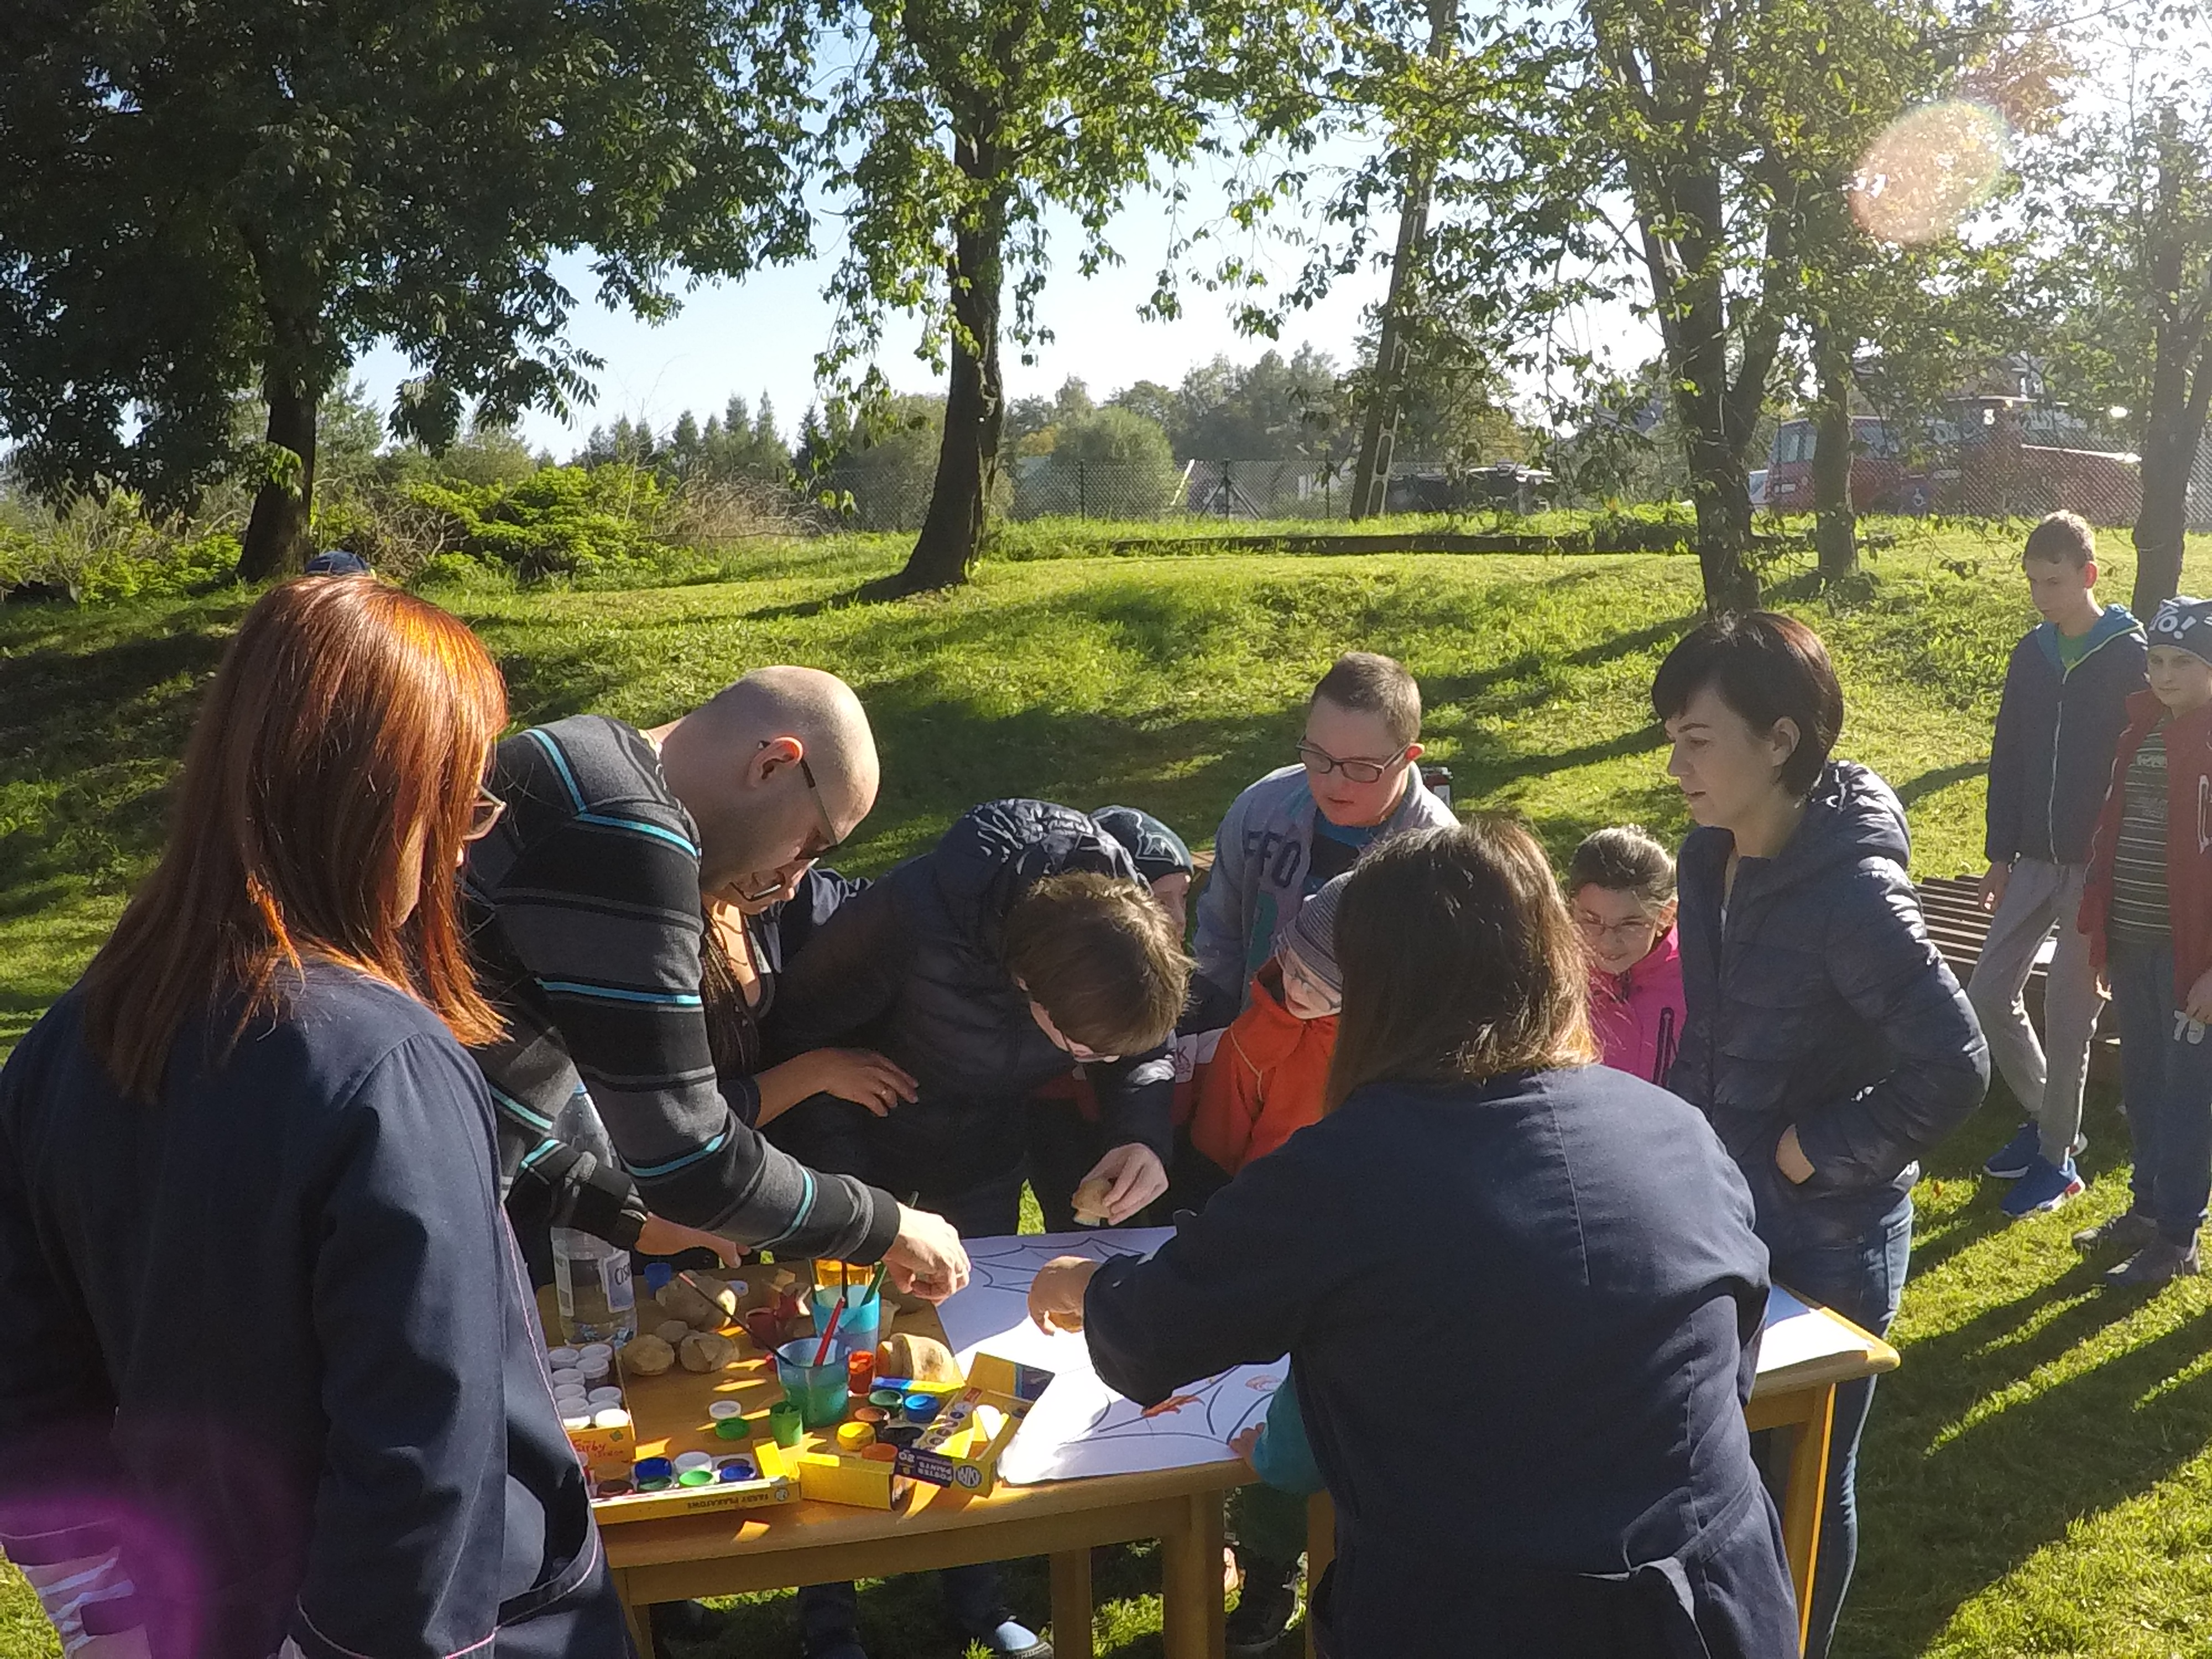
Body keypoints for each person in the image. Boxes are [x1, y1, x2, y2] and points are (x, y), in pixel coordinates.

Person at [0, 577, 632, 1659]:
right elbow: (423, 1459)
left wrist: (107, 1613)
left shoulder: (67, 1041)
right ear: (387, 804)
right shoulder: (387, 1065)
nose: (466, 847)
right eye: (464, 802)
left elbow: (24, 1384)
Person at [1027, 820, 1798, 1659]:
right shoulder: (1679, 1131)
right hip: (1708, 1602)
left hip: (1475, 1612)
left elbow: (1151, 1335)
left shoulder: (1348, 1166)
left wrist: (1083, 1285)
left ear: (1375, 992)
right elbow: (1729, 1355)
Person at [768, 797, 1193, 1659]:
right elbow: (796, 1039)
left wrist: (1139, 1133)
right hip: (856, 1162)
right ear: (1028, 986)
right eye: (1079, 1050)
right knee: (836, 1378)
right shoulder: (913, 916)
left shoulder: (1120, 918)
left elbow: (1139, 1042)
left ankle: (974, 1586)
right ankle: (828, 1608)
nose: (1087, 1066)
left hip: (980, 1163)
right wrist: (865, 1210)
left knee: (976, 1375)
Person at [1656, 611, 1987, 1659]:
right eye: (1671, 738)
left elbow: (1956, 1064)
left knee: (1804, 1475)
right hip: (1726, 1214)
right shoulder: (1706, 857)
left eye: (1697, 739)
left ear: (1782, 741)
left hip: (1832, 1234)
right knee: (1722, 1463)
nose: (1675, 766)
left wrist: (1814, 1151)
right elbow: (1717, 1031)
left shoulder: (1855, 895)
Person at [461, 669, 968, 1297]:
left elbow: (479, 1100)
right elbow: (690, 1160)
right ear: (774, 765)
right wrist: (885, 1225)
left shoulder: (585, 757)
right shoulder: (630, 829)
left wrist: (618, 1210)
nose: (794, 881)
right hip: (415, 1226)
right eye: (813, 844)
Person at [1182, 871, 1347, 1652]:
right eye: (1296, 969)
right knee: (1265, 1415)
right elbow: (1219, 1145)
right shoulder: (1254, 1038)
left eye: (1325, 983)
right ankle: (1269, 1568)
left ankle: (1334, 1562)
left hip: (1355, 1254)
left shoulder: (1388, 1049)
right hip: (1270, 1247)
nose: (1302, 988)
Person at [1974, 510, 2146, 1217]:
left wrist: (2120, 866)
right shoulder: (2031, 653)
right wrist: (1999, 854)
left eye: (2053, 582)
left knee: (2072, 1016)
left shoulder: (2130, 656)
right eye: (2032, 583)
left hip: (2096, 870)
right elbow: (2008, 753)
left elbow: (2141, 770)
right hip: (2031, 862)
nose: (2041, 596)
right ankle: (2052, 1119)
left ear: (2088, 575)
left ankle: (2056, 1162)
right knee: (1988, 992)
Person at [2072, 596, 2212, 1287]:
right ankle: (2148, 1206)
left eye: (2183, 661)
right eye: (2155, 660)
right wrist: (2103, 935)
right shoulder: (2142, 730)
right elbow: (2112, 829)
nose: (2164, 674)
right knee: (2146, 1083)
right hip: (2133, 939)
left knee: (2186, 1096)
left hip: (2192, 959)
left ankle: (2178, 1237)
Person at [1192, 651, 1455, 1015]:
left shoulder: (1439, 861)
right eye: (1318, 757)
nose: (1334, 783)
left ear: (1408, 757)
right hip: (1253, 1036)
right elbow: (1219, 937)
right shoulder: (1261, 809)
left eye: (1360, 768)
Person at [1566, 826, 1685, 1085]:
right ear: (1573, 908)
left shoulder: (1695, 979)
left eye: (1630, 925)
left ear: (1665, 915)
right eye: (1591, 920)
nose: (1608, 942)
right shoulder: (1558, 977)